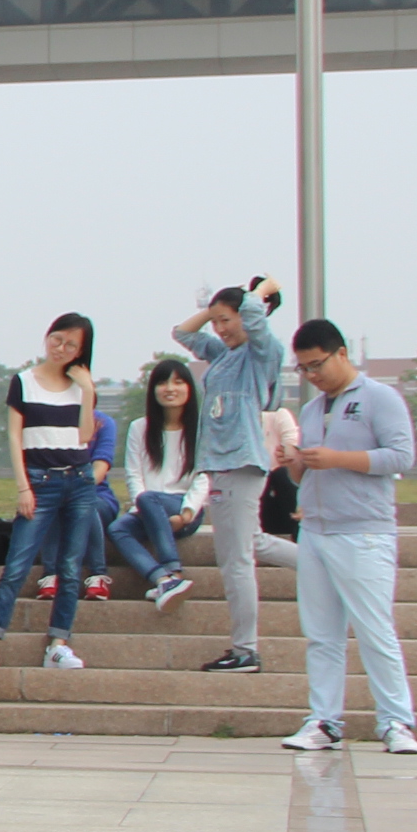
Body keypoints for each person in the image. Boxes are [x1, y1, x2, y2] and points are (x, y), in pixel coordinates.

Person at [281, 321, 417, 754]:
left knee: (374, 630)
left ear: (341, 354)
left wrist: (338, 458)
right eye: (303, 369)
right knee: (322, 635)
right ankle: (323, 719)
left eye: (317, 365)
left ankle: (396, 722)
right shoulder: (311, 409)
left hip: (363, 532)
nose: (312, 375)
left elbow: (402, 455)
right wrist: (295, 463)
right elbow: (307, 473)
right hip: (317, 530)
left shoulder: (380, 398)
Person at [0, 312, 107, 675]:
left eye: (72, 344)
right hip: (40, 480)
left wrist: (88, 391)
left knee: (71, 569)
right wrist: (23, 486)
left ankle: (59, 644)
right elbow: (15, 435)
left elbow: (85, 436)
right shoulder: (24, 381)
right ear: (47, 337)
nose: (61, 348)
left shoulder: (81, 384)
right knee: (17, 565)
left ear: (81, 350)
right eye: (57, 339)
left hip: (79, 480)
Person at [175, 278, 287, 672]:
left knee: (236, 561)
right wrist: (214, 307)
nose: (219, 328)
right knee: (250, 544)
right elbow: (182, 333)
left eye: (226, 320)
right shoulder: (223, 355)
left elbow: (257, 325)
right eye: (216, 320)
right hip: (222, 464)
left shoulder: (262, 354)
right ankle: (325, 562)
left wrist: (258, 294)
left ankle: (246, 649)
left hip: (240, 463)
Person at [111, 359, 211, 612]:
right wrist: (142, 508)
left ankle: (172, 569)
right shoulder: (139, 428)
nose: (170, 388)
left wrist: (187, 513)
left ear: (189, 388)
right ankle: (162, 579)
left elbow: (205, 476)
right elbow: (134, 474)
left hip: (183, 506)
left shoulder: (202, 430)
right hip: (148, 508)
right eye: (163, 382)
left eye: (178, 382)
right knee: (117, 529)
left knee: (148, 499)